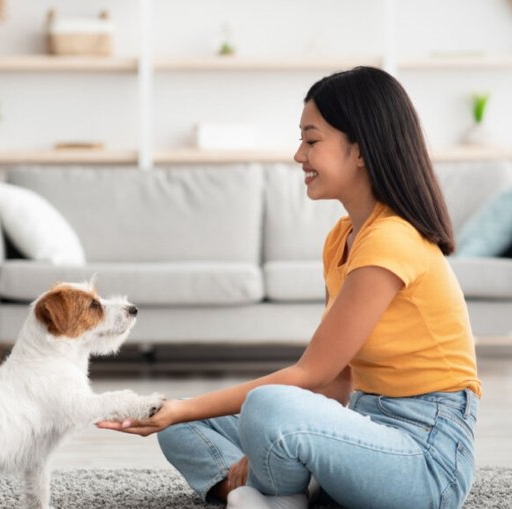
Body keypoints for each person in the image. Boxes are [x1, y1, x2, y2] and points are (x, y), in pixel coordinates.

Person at [98, 66, 482, 509]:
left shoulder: (392, 239)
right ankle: (260, 490)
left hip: (427, 459)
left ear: (360, 150)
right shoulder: (343, 238)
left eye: (312, 140)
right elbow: (337, 382)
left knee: (262, 407)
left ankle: (277, 494)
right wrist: (188, 413)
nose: (299, 155)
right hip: (364, 422)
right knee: (185, 425)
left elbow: (309, 374)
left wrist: (257, 425)